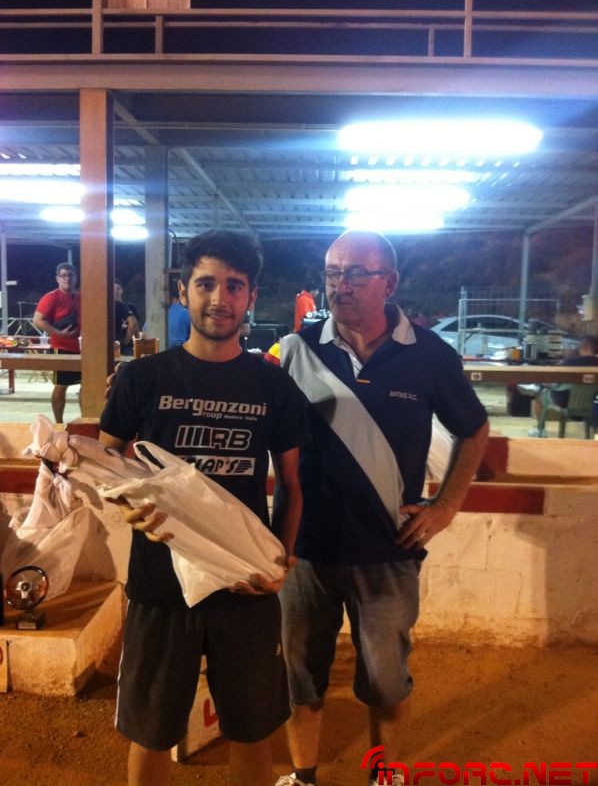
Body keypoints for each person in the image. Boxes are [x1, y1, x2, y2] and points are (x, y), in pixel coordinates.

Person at [272, 230, 489, 786]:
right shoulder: (295, 350)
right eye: (332, 272)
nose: (339, 285)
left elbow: (474, 429)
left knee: (387, 684)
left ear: (388, 283)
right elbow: (247, 409)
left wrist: (445, 506)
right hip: (303, 550)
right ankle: (302, 778)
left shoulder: (430, 355)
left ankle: (382, 776)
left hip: (389, 551)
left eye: (355, 274)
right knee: (301, 679)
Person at [98, 229, 310, 786]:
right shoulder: (143, 378)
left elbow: (292, 484)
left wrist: (282, 560)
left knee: (251, 732)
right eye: (206, 284)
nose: (220, 298)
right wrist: (125, 505)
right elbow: (105, 466)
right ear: (183, 291)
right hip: (159, 587)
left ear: (251, 296)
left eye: (234, 286)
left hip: (246, 587)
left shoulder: (273, 386)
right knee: (152, 733)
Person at [33, 262, 81, 424]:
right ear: (57, 279)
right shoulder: (51, 297)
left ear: (76, 278)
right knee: (61, 386)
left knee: (87, 385)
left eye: (70, 275)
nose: (67, 278)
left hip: (82, 349)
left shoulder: (80, 298)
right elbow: (38, 320)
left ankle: (85, 420)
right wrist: (59, 333)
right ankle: (59, 423)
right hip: (61, 348)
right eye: (63, 275)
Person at [529, 334, 598, 437]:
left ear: (584, 347)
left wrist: (544, 384)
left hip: (564, 401)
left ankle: (540, 430)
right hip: (591, 402)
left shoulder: (570, 361)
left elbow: (552, 378)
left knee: (540, 395)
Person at [114, 278, 141, 356]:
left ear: (122, 290)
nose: (115, 292)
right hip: (116, 347)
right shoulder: (109, 309)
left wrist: (126, 341)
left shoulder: (130, 307)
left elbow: (135, 327)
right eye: (113, 289)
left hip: (126, 348)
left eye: (118, 289)